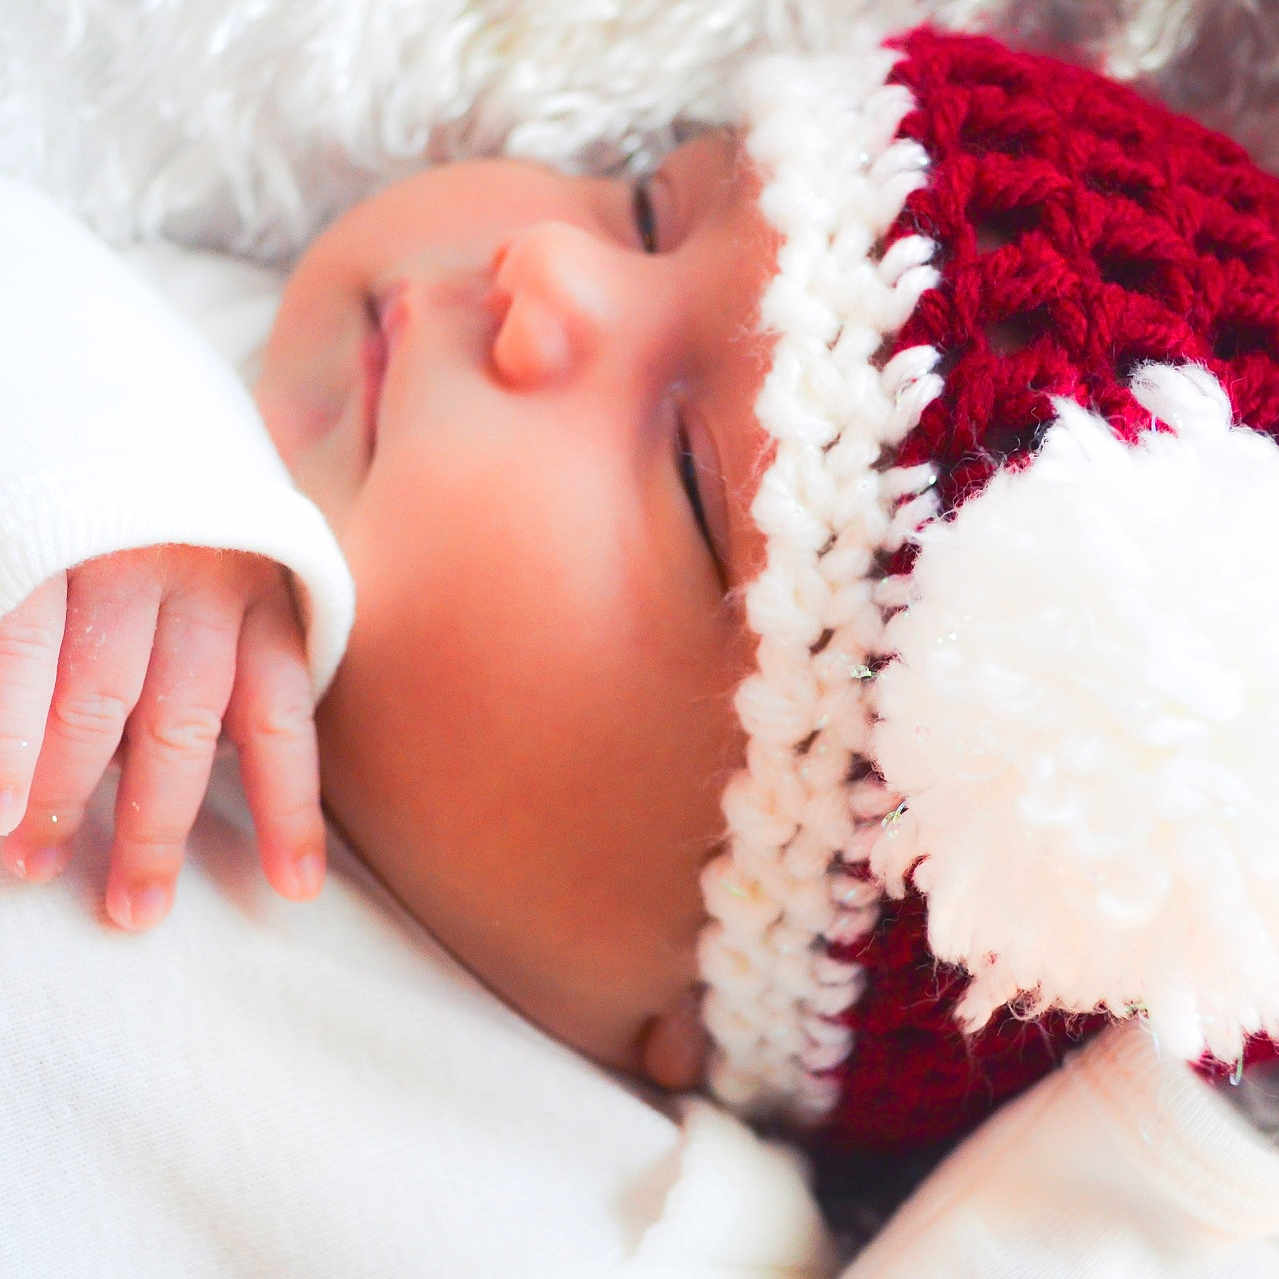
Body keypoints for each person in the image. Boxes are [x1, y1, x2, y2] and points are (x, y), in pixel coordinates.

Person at [6, 22, 1279, 1275]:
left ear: (709, 994)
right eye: (647, 210)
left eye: (686, 473)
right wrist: (123, 474)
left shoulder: (670, 1217)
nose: (548, 264)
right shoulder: (151, 358)